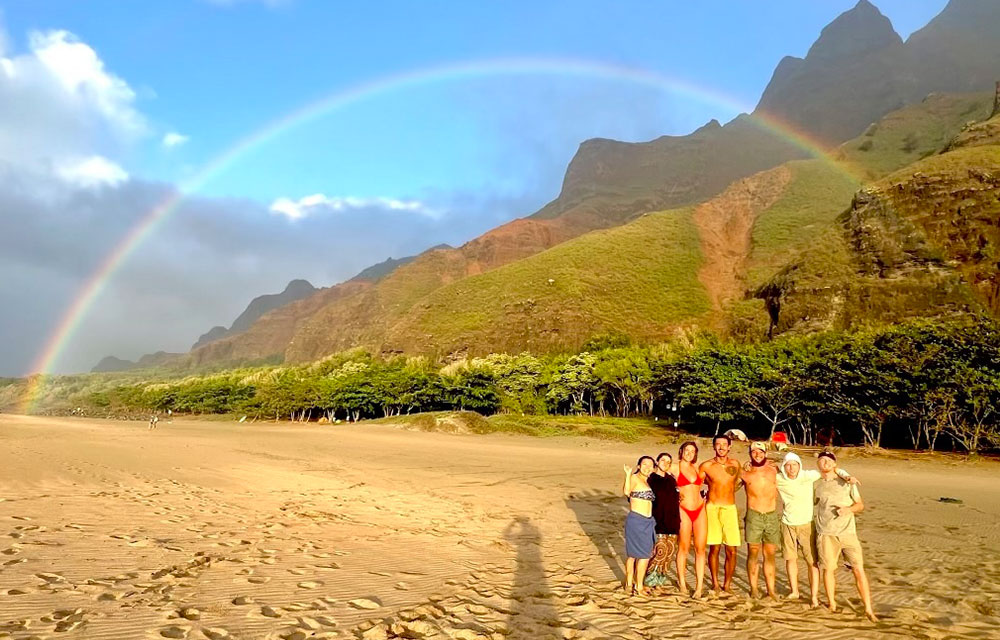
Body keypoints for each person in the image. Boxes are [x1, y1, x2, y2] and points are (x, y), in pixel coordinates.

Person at [776, 451, 856, 606]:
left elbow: (830, 470)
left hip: (807, 524)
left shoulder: (809, 475)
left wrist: (846, 475)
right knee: (790, 558)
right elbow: (765, 472)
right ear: (784, 467)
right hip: (787, 523)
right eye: (788, 465)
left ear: (799, 465)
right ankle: (794, 591)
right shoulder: (780, 479)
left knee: (812, 562)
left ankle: (813, 597)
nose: (791, 468)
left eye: (794, 464)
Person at [814, 451, 878, 621]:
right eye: (822, 460)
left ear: (835, 464)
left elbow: (860, 505)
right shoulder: (816, 485)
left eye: (829, 460)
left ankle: (868, 609)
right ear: (818, 465)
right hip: (826, 534)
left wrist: (848, 510)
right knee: (828, 569)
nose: (825, 463)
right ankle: (832, 604)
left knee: (858, 570)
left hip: (848, 534)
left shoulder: (847, 481)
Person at [700, 434, 742, 594]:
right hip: (712, 508)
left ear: (729, 446)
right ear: (713, 446)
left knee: (732, 550)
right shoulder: (706, 466)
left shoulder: (735, 464)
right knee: (714, 548)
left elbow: (738, 482)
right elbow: (695, 484)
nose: (721, 447)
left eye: (724, 444)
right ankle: (716, 584)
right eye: (718, 444)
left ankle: (727, 585)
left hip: (730, 508)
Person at [742, 441, 780, 599]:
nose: (757, 455)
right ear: (750, 454)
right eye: (754, 452)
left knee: (770, 554)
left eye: (760, 452)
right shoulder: (745, 473)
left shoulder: (775, 470)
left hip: (771, 515)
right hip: (754, 515)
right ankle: (754, 588)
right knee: (753, 552)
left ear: (765, 453)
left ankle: (771, 590)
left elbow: (793, 463)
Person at [621, 456, 657, 596]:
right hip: (636, 520)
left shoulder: (648, 481)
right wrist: (628, 474)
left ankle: (633, 583)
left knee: (642, 554)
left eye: (650, 465)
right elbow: (626, 492)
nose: (647, 467)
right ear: (638, 465)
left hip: (648, 521)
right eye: (644, 464)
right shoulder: (635, 478)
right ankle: (636, 586)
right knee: (637, 555)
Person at [675, 441, 707, 597]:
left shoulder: (698, 467)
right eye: (686, 450)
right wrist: (675, 492)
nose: (689, 453)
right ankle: (682, 582)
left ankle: (699, 587)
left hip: (700, 508)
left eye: (692, 451)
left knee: (700, 549)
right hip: (684, 509)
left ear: (696, 454)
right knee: (684, 547)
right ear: (681, 451)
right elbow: (659, 476)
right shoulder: (675, 466)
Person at [644, 452, 679, 588]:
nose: (666, 463)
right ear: (657, 462)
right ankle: (649, 580)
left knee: (669, 553)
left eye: (668, 461)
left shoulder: (671, 479)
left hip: (672, 521)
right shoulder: (651, 479)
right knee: (659, 551)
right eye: (663, 460)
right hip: (657, 520)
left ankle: (660, 579)